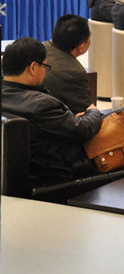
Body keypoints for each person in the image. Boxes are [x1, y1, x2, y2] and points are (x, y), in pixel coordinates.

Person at [2, 38, 103, 179]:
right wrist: (93, 112)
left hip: (19, 172)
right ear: (33, 68)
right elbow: (81, 130)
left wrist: (68, 119)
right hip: (57, 174)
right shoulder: (42, 105)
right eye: (45, 66)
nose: (45, 72)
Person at [43, 15, 94, 115]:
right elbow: (86, 112)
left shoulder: (40, 48)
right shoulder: (74, 72)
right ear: (82, 47)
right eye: (90, 37)